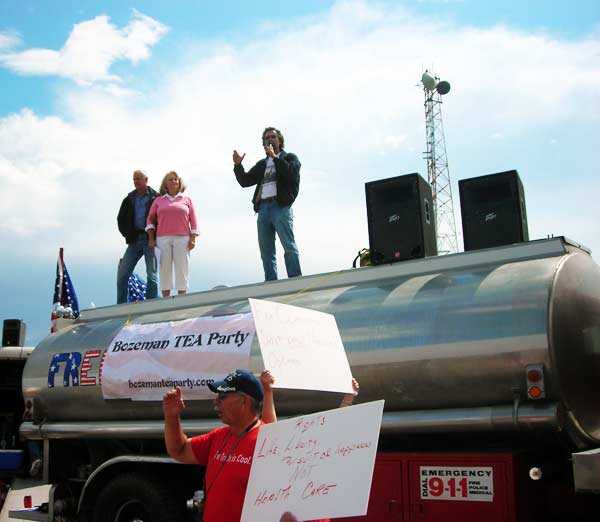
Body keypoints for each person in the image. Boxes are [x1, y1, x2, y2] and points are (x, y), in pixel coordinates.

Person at [163, 369, 272, 522]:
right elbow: (178, 450)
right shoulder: (218, 436)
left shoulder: (267, 444)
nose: (216, 402)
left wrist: (268, 390)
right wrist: (172, 417)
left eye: (223, 396)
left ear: (244, 401)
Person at [233, 127, 302, 281]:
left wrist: (275, 158)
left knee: (288, 245)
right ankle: (271, 282)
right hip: (263, 209)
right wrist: (238, 166)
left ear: (280, 140)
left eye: (273, 137)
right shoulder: (262, 164)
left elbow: (291, 174)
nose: (270, 140)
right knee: (266, 250)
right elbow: (245, 181)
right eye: (266, 138)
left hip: (281, 207)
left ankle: (296, 279)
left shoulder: (290, 158)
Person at [146, 171, 198, 297]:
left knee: (182, 268)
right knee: (165, 269)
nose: (174, 181)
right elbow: (150, 219)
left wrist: (193, 239)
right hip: (162, 238)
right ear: (165, 184)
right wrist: (151, 239)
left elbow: (194, 220)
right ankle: (166, 299)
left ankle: (182, 298)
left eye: (176, 179)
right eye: (170, 180)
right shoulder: (158, 201)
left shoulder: (187, 200)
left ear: (179, 182)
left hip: (183, 238)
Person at [116, 170, 159, 303]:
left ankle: (150, 304)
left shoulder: (156, 198)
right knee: (122, 274)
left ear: (146, 180)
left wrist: (156, 236)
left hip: (150, 240)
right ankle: (121, 305)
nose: (136, 182)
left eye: (138, 179)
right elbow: (120, 219)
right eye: (134, 179)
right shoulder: (129, 199)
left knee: (152, 275)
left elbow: (163, 217)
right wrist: (127, 235)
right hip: (134, 241)